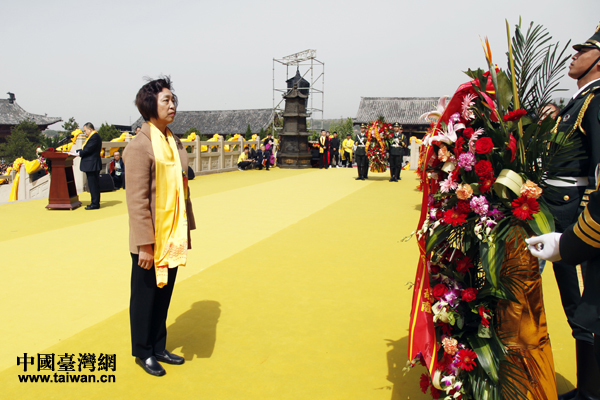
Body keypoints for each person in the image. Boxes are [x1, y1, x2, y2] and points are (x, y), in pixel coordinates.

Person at [537, 25, 600, 400]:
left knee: (586, 307)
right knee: (574, 305)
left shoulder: (595, 102)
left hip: (578, 217)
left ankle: (590, 393)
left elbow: (598, 169)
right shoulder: (578, 102)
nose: (574, 56)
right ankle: (587, 389)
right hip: (558, 211)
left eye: (583, 50)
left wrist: (584, 224)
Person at [124, 76, 196, 377]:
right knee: (145, 297)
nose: (172, 105)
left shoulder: (172, 141)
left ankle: (158, 345)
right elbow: (136, 200)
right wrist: (144, 244)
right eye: (166, 100)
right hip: (150, 238)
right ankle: (143, 351)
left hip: (172, 232)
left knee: (163, 293)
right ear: (149, 105)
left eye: (173, 100)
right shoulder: (140, 146)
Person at [77, 122, 102, 210]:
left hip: (92, 164)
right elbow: (86, 148)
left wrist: (78, 153)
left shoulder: (94, 137)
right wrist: (77, 151)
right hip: (92, 164)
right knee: (93, 184)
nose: (85, 133)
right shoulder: (93, 136)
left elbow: (87, 150)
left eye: (85, 131)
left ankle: (95, 203)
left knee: (93, 185)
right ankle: (94, 202)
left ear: (90, 129)